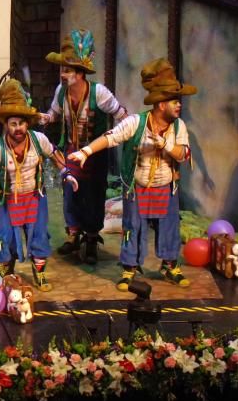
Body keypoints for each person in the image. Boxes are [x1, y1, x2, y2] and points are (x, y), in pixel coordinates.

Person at [68, 59, 195, 291]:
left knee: (169, 227)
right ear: (160, 104)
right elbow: (111, 136)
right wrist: (86, 151)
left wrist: (165, 144)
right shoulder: (137, 123)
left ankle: (170, 265)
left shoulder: (178, 127)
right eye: (174, 101)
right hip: (137, 187)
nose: (179, 106)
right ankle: (129, 269)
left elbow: (183, 155)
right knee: (132, 227)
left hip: (166, 186)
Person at [0, 80, 75, 292]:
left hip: (35, 197)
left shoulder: (38, 140)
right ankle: (7, 269)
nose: (18, 128)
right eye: (13, 124)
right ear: (7, 125)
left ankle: (39, 271)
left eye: (21, 123)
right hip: (9, 199)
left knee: (39, 234)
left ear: (28, 123)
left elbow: (55, 155)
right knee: (4, 234)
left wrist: (66, 173)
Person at [38, 30, 128, 265]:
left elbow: (122, 115)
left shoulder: (99, 93)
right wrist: (45, 119)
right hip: (71, 152)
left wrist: (130, 132)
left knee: (93, 195)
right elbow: (54, 115)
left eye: (67, 70)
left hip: (95, 155)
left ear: (80, 73)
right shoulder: (62, 92)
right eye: (62, 69)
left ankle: (90, 238)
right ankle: (73, 234)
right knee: (70, 194)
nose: (63, 74)